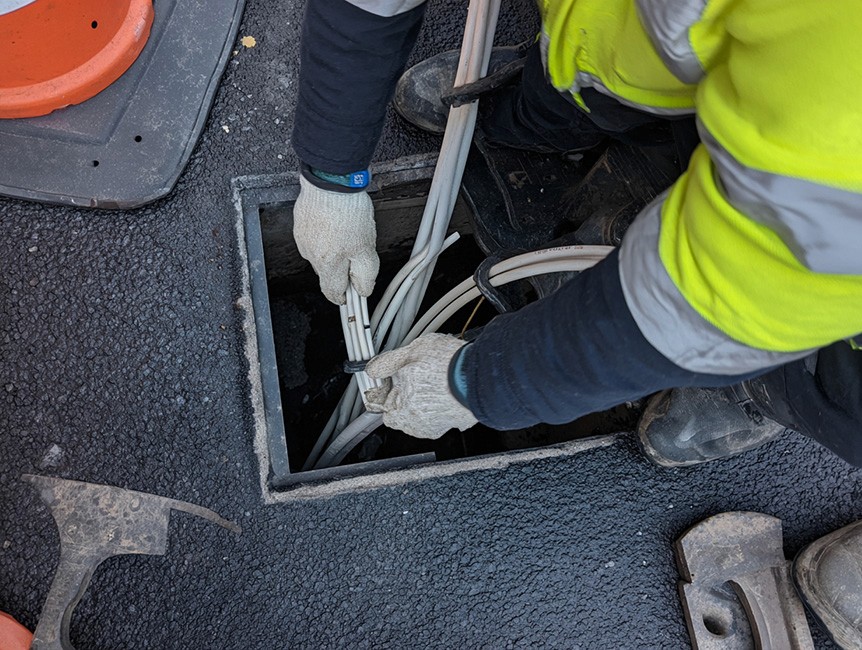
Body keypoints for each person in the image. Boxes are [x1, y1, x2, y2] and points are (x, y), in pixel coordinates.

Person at [291, 2, 862, 645]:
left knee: (810, 358)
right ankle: (566, 94)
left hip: (826, 260)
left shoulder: (842, 114)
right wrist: (331, 173)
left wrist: (474, 384)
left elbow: (709, 298)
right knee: (584, 75)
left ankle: (764, 385)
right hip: (673, 45)